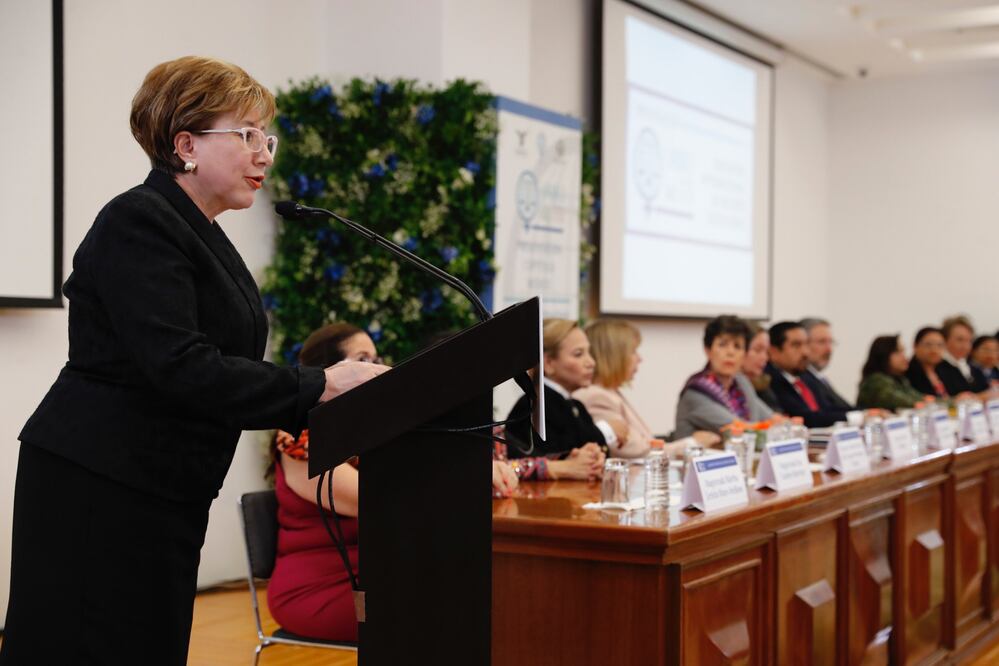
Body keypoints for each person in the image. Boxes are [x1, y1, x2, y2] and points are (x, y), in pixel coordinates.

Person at [0, 57, 391, 665]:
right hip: (100, 484)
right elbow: (179, 365)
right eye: (247, 135)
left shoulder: (199, 230)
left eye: (269, 138)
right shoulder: (139, 220)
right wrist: (318, 385)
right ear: (186, 145)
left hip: (159, 485)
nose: (265, 153)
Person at [575, 319, 719, 458]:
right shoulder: (596, 397)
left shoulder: (610, 393)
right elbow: (635, 452)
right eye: (633, 351)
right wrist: (692, 443)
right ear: (614, 356)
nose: (639, 359)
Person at [505, 319, 623, 477]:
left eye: (590, 353)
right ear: (548, 363)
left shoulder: (576, 405)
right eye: (578, 354)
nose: (591, 362)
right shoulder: (533, 405)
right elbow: (534, 460)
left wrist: (595, 457)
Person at [674, 315, 773, 438]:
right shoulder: (695, 392)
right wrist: (768, 426)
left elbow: (771, 419)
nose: (730, 352)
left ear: (744, 354)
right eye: (722, 345)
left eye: (737, 346)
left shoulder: (741, 382)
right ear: (708, 350)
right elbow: (743, 430)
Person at [765, 321, 849, 427]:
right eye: (796, 345)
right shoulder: (770, 380)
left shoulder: (807, 376)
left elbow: (829, 408)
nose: (805, 352)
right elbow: (806, 418)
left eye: (806, 344)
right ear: (774, 352)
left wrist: (863, 414)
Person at [856, 335, 927, 410]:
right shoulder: (876, 380)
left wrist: (930, 401)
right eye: (898, 352)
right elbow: (906, 403)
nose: (904, 357)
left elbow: (920, 398)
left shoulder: (900, 379)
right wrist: (928, 403)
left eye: (903, 351)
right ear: (883, 355)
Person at [801, 317, 854, 410]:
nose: (829, 350)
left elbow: (842, 407)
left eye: (831, 342)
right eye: (822, 342)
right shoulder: (801, 380)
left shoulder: (820, 378)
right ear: (803, 344)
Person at [939, 315, 990, 394]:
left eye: (969, 340)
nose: (965, 346)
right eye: (960, 340)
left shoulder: (973, 368)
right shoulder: (938, 368)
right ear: (945, 340)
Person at [905, 326, 959, 400]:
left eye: (940, 345)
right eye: (928, 345)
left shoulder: (947, 369)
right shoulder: (907, 374)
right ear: (915, 346)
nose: (934, 350)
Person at [743, 322, 781, 412]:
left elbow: (777, 416)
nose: (765, 358)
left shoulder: (763, 383)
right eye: (757, 350)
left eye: (767, 352)